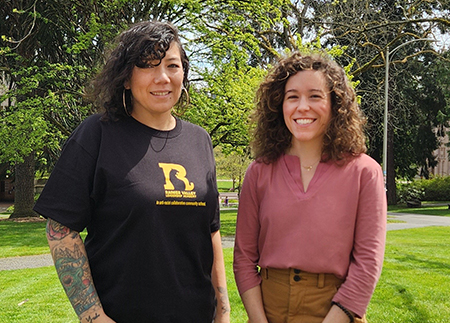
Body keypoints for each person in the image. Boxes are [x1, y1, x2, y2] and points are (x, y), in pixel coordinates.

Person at [34, 21, 230, 323]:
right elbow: (60, 228)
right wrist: (93, 316)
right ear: (126, 78)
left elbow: (211, 232)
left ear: (184, 74)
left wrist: (223, 312)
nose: (162, 77)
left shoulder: (199, 140)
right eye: (147, 66)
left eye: (172, 65)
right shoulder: (97, 135)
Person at [233, 51, 386, 323]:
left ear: (335, 104)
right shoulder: (259, 172)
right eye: (293, 97)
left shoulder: (365, 172)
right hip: (268, 311)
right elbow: (243, 259)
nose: (302, 107)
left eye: (315, 96)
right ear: (279, 105)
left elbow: (367, 264)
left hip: (335, 313)